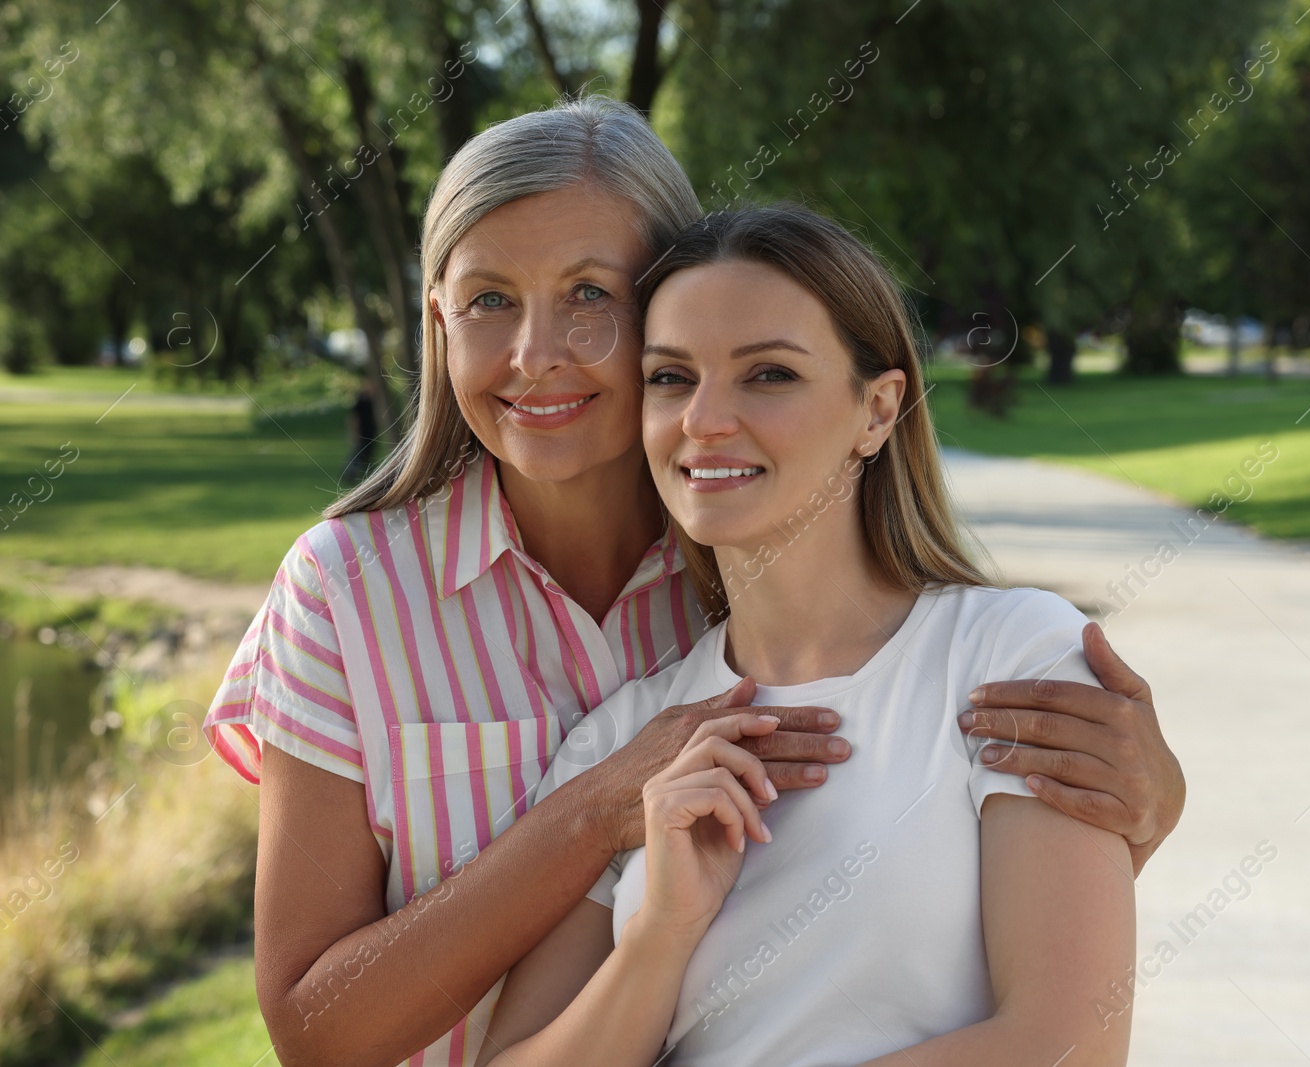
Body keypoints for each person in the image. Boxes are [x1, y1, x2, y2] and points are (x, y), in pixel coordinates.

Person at [203, 97, 1180, 1067]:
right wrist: (594, 817)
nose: (536, 354)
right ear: (438, 319)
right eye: (488, 300)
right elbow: (315, 1031)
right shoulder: (354, 593)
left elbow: (1056, 1019)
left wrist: (1148, 802)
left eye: (590, 293)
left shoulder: (797, 576)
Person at [474, 203, 1134, 1066]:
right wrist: (661, 936)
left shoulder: (1013, 655)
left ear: (878, 409)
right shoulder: (625, 736)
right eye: (672, 378)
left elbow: (1066, 1044)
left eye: (769, 375)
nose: (704, 419)